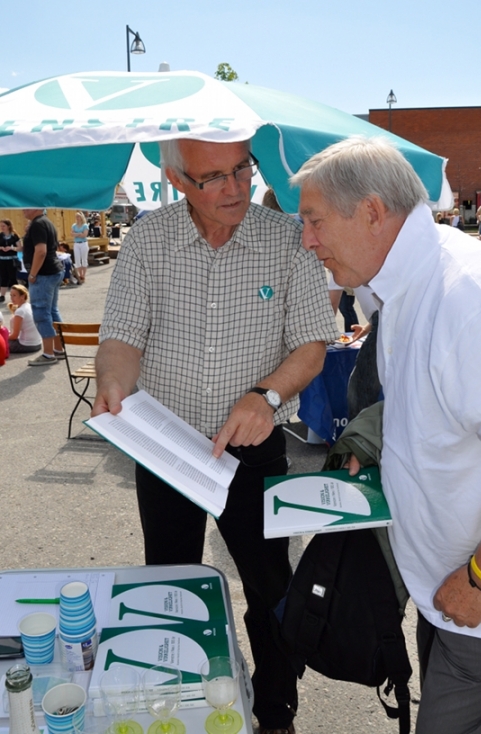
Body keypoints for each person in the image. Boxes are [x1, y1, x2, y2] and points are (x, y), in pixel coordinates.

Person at [292, 136, 481, 734]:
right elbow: (431, 410)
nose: (307, 240)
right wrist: (377, 451)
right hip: (448, 584)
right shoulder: (401, 282)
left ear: (373, 211)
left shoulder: (471, 301)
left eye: (315, 221)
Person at [92, 137, 338, 734]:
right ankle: (175, 706)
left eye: (241, 170)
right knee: (168, 584)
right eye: (213, 178)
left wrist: (268, 395)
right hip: (168, 449)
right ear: (177, 182)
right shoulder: (149, 239)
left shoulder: (285, 239)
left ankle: (276, 711)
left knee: (269, 586)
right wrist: (113, 385)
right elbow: (122, 335)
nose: (235, 188)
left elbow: (313, 341)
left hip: (254, 450)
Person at [22, 209, 65, 366]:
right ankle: (58, 349)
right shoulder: (45, 222)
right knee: (52, 311)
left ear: (35, 208)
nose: (22, 209)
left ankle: (48, 354)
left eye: (25, 206)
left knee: (41, 313)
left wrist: (33, 274)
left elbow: (41, 251)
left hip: (44, 274)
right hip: (53, 271)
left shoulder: (38, 224)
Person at [7, 284, 41, 353]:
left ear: (22, 296)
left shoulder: (20, 311)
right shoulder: (29, 306)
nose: (11, 298)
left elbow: (14, 336)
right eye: (11, 295)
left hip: (26, 345)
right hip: (37, 343)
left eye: (14, 295)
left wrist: (3, 337)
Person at [0, 219, 21, 302]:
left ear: (8, 226)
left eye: (3, 226)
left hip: (12, 260)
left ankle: (17, 295)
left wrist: (11, 248)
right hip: (2, 260)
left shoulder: (14, 236)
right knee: (3, 278)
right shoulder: (0, 235)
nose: (2, 228)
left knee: (13, 278)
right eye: (1, 226)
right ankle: (2, 295)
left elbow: (20, 248)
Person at [71, 212, 89, 283]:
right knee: (77, 259)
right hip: (76, 243)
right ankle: (80, 274)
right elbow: (71, 234)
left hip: (83, 243)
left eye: (79, 217)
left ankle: (83, 275)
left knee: (84, 259)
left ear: (81, 217)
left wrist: (76, 234)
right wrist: (79, 234)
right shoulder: (74, 225)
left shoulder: (85, 225)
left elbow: (84, 235)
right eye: (77, 217)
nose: (78, 218)